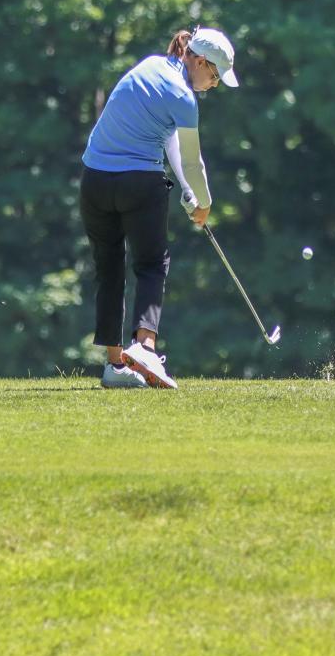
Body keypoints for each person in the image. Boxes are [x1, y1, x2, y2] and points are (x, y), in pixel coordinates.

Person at [78, 26, 239, 389]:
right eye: (213, 74)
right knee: (151, 263)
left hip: (94, 181)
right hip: (137, 182)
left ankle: (116, 367)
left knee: (110, 268)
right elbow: (193, 161)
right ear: (198, 61)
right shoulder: (184, 97)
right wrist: (205, 204)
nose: (213, 84)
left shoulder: (150, 66)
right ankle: (145, 347)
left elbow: (168, 143)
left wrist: (187, 191)